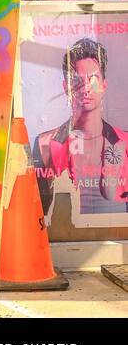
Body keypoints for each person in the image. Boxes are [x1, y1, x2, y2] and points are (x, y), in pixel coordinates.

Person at [33, 37, 128, 219]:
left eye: (93, 79)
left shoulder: (125, 143)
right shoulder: (45, 144)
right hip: (64, 240)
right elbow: (39, 213)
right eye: (77, 80)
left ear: (103, 85)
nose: (85, 88)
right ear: (66, 87)